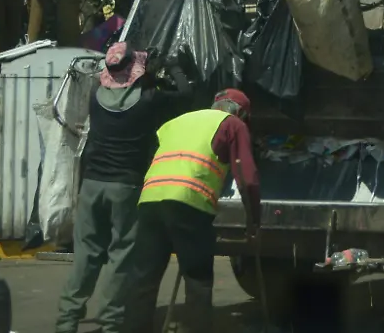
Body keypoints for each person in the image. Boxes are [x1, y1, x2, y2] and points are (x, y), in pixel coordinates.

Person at [54, 42, 191, 333]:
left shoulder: (95, 96)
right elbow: (186, 95)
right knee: (120, 255)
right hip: (125, 187)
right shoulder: (148, 100)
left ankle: (67, 320)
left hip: (92, 185)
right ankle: (110, 322)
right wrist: (174, 65)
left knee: (87, 255)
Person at [126, 88, 261, 333]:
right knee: (198, 280)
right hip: (189, 203)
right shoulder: (233, 125)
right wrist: (254, 221)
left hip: (150, 199)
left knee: (143, 279)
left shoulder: (177, 122)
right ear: (240, 112)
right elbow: (247, 178)